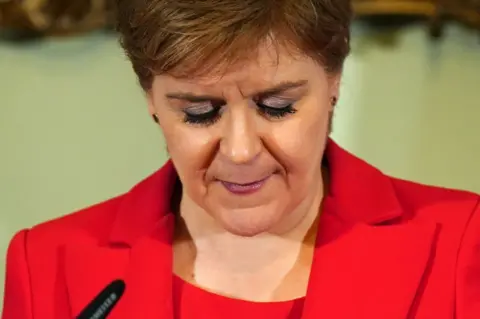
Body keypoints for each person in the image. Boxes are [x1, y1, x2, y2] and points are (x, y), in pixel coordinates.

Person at [2, 0, 479, 318]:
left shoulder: (460, 244)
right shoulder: (47, 264)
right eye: (198, 113)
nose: (240, 151)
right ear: (150, 97)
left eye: (277, 107)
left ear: (334, 80)